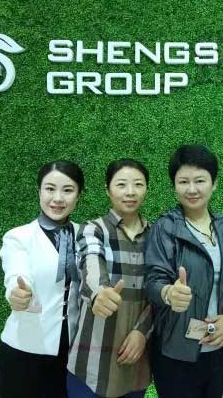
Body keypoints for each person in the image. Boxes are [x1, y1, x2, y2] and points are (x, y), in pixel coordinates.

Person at [144, 144, 223, 398]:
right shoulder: (165, 228)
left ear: (214, 184)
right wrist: (169, 293)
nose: (192, 189)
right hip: (176, 354)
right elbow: (152, 280)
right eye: (183, 182)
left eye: (200, 180)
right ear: (174, 186)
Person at [0, 160, 85, 398]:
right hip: (24, 353)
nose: (58, 198)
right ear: (39, 192)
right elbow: (16, 273)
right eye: (50, 189)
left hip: (72, 356)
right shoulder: (19, 237)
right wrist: (17, 293)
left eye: (68, 190)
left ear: (78, 196)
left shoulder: (87, 235)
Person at [66, 159, 153, 398]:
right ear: (108, 189)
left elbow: (159, 290)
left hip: (136, 357)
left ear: (146, 189)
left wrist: (142, 331)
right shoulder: (93, 228)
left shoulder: (157, 235)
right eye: (121, 184)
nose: (130, 192)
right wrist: (99, 293)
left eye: (138, 184)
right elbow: (91, 260)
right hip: (90, 359)